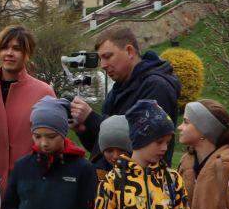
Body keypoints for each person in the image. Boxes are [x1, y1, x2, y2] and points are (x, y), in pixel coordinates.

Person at [68, 26, 183, 160]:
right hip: (112, 178)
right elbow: (106, 150)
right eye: (101, 59)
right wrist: (83, 130)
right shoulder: (118, 90)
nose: (103, 65)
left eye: (107, 56)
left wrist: (91, 118)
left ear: (129, 51)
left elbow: (142, 140)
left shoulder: (156, 87)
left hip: (140, 179)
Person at [0, 24, 54, 191]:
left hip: (30, 185)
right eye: (4, 47)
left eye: (17, 48)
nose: (9, 53)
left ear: (27, 53)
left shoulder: (43, 92)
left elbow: (54, 142)